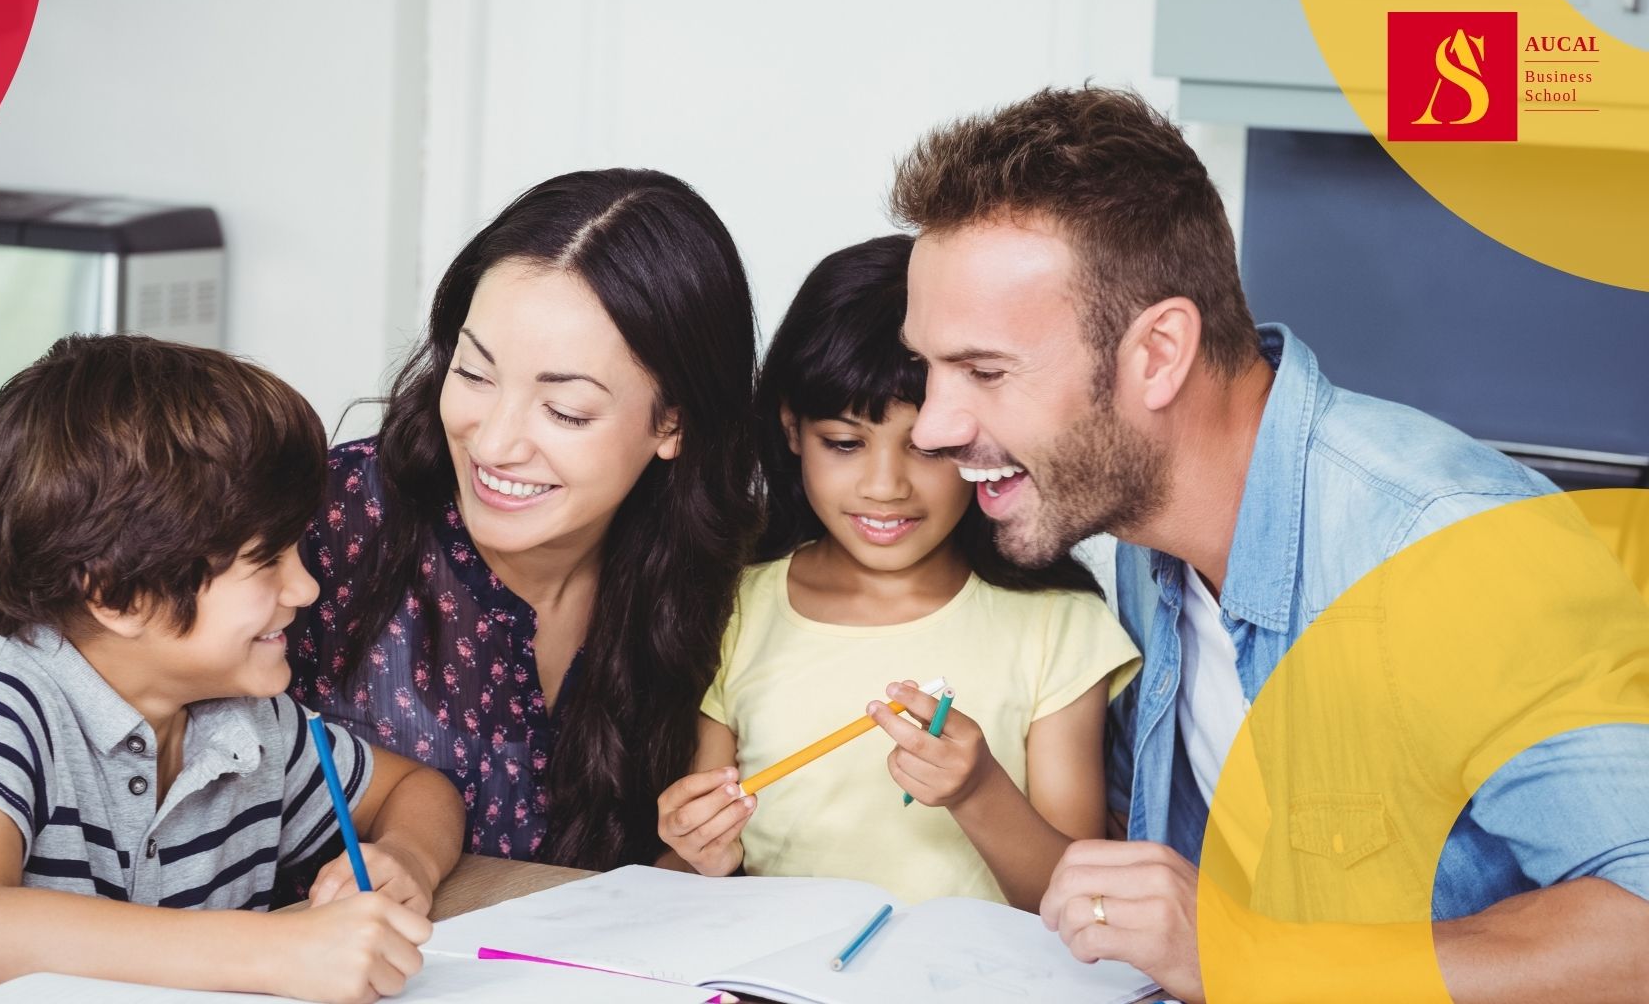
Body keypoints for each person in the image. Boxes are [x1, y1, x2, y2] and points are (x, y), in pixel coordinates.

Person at [890, 87, 1649, 1001]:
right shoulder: (1146, 533)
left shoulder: (1451, 550)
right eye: (929, 369)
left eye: (983, 371)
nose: (930, 427)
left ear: (1159, 354)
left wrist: (1251, 959)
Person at [0, 335, 464, 1004]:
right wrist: (271, 951)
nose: (305, 590)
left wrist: (407, 856)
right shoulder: (3, 703)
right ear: (119, 594)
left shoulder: (249, 721)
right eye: (266, 561)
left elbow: (418, 792)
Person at [287, 169, 760, 873]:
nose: (494, 442)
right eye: (474, 374)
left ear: (672, 423)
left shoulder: (727, 578)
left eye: (565, 411)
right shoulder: (324, 523)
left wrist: (693, 859)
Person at [654, 235, 1137, 911]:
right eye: (845, 443)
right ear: (792, 429)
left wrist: (978, 794)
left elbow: (1083, 902)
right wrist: (694, 848)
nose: (885, 486)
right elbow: (687, 867)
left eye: (925, 448)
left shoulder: (1057, 624)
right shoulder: (736, 607)